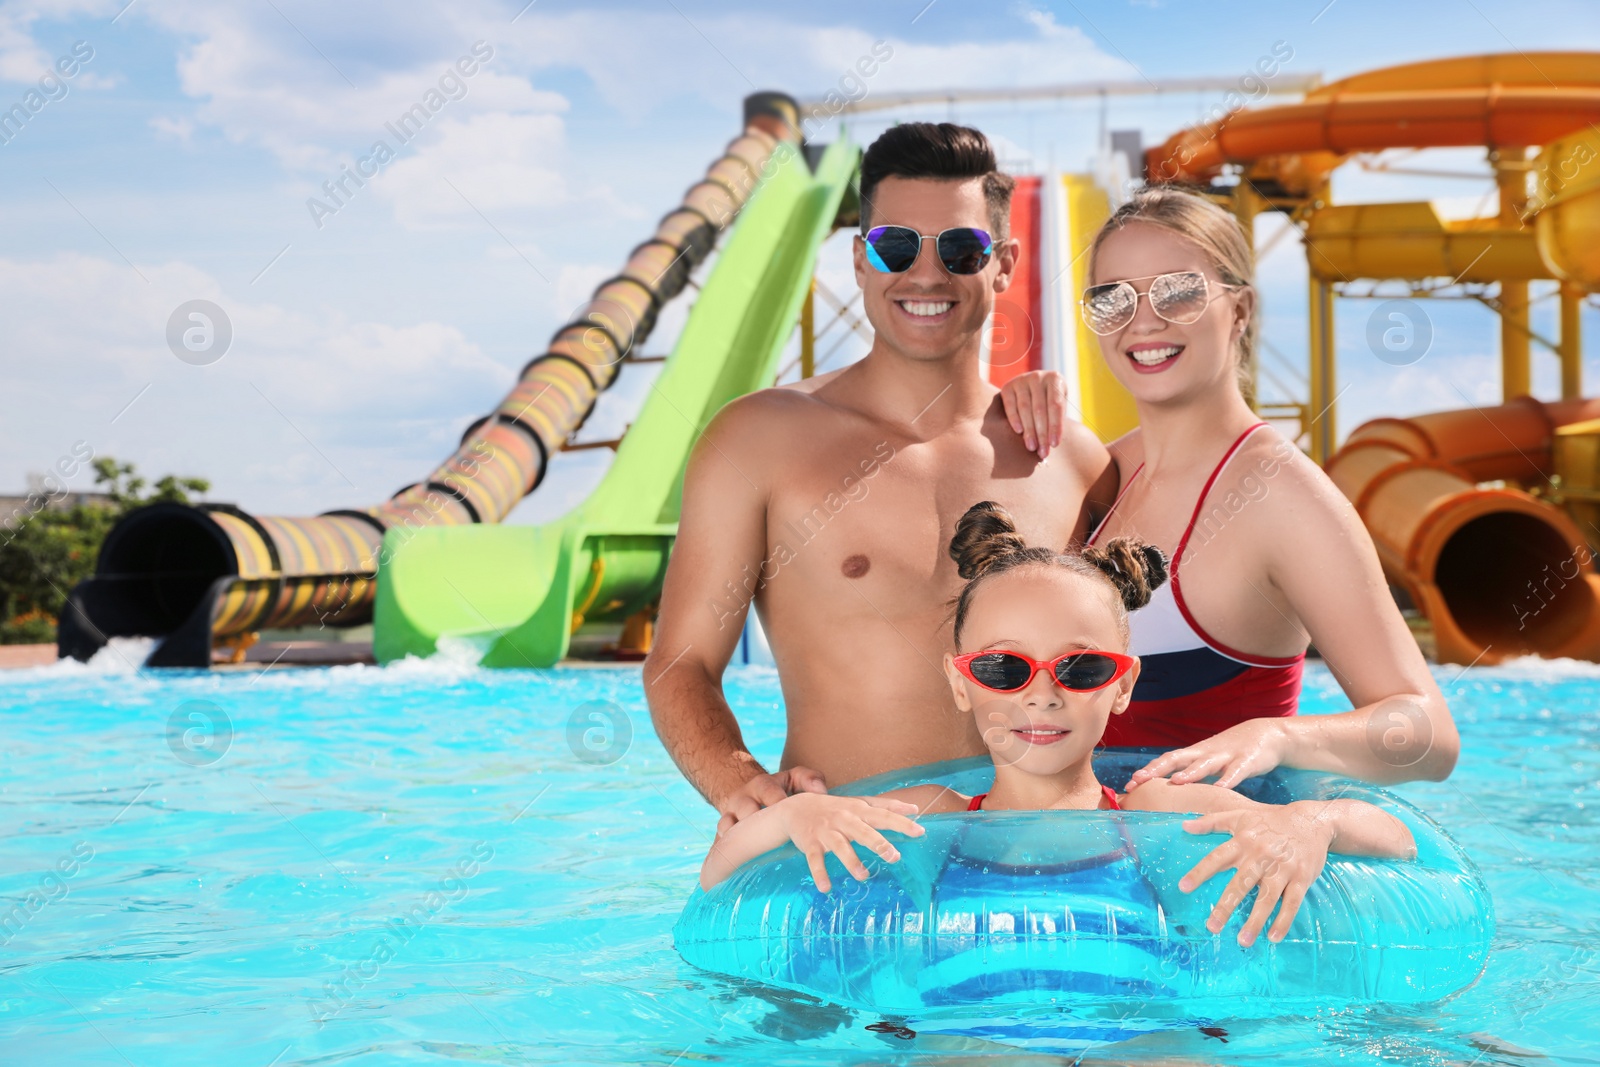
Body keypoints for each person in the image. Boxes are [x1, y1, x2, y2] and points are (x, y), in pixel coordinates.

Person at [644, 123, 1118, 832]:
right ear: (860, 260)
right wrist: (742, 784)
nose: (926, 275)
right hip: (850, 856)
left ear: (1007, 263)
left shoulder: (1071, 459)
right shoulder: (758, 439)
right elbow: (680, 662)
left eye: (961, 251)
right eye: (897, 246)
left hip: (1031, 858)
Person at [700, 502, 1416, 948]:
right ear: (960, 681)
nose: (1040, 695)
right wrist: (801, 814)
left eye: (1078, 669)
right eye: (1005, 669)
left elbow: (1400, 842)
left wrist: (1313, 823)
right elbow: (719, 876)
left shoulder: (1159, 813)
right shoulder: (930, 818)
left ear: (1123, 685)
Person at [998, 187, 1459, 790]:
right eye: (1113, 298)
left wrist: (1277, 735)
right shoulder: (1101, 473)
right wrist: (1003, 412)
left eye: (1179, 292)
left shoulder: (1279, 493)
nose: (1144, 321)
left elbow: (1427, 735)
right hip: (1087, 856)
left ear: (1239, 310)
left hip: (1204, 859)